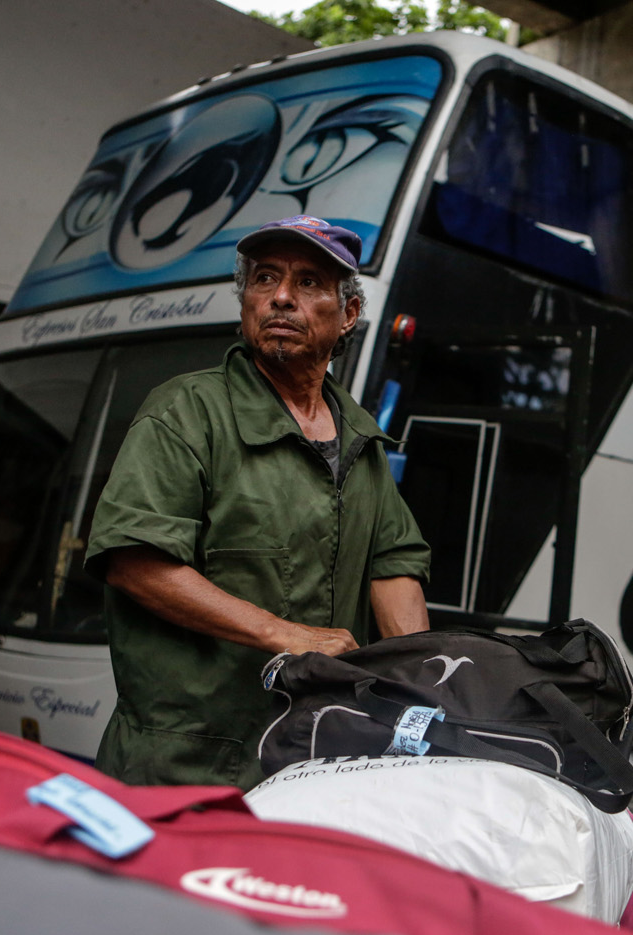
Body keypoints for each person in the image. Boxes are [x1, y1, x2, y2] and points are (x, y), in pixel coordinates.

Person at [83, 215, 431, 789]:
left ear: (348, 315)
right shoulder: (186, 413)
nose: (282, 297)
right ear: (245, 301)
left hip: (312, 759)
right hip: (186, 766)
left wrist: (421, 688)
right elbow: (134, 559)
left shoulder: (360, 440)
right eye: (265, 279)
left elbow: (393, 568)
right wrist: (286, 633)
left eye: (310, 283)